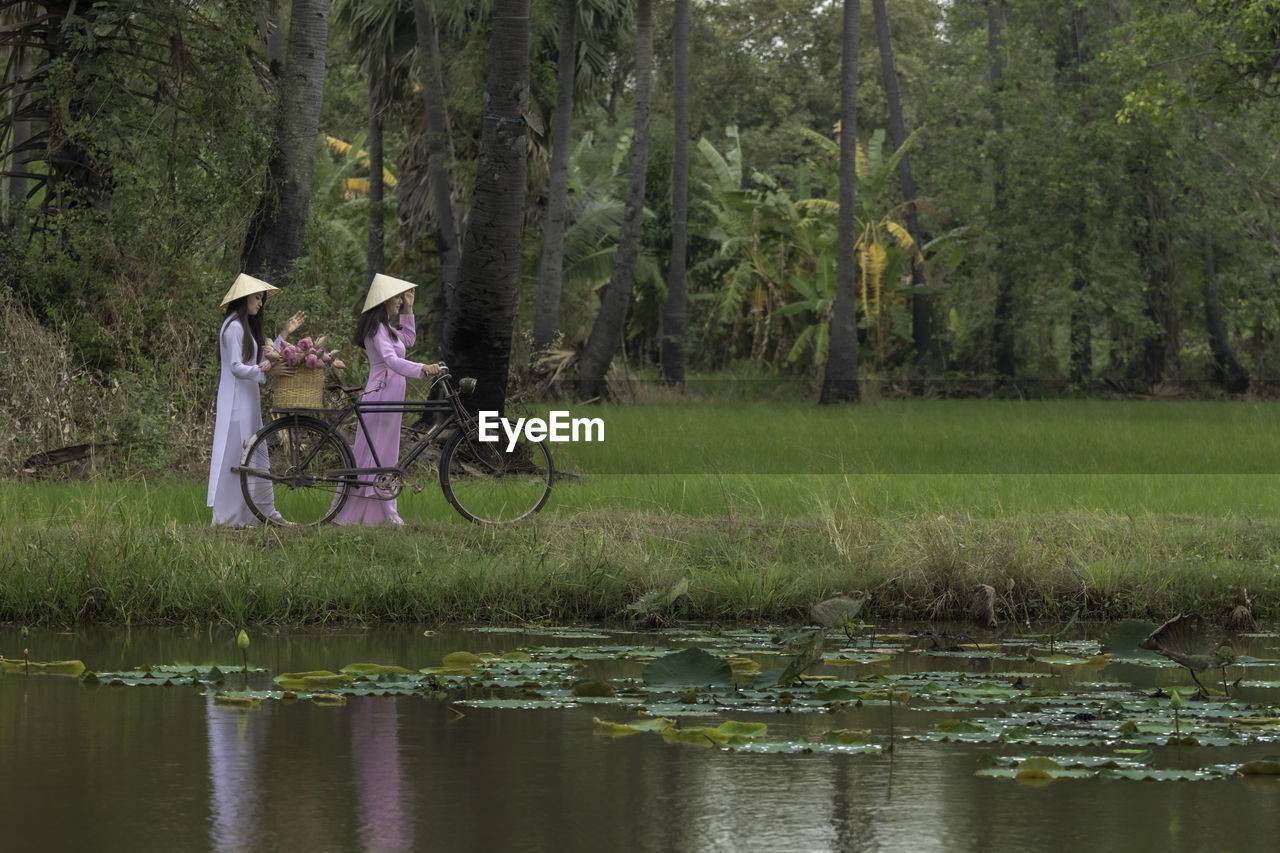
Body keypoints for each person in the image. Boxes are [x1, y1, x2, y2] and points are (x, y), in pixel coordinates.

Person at [333, 273, 444, 525]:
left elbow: (408, 339)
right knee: (372, 453)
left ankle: (382, 512)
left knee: (386, 452)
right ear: (383, 301)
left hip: (391, 393)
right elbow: (391, 361)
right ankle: (373, 512)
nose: (397, 302)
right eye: (395, 298)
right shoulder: (376, 330)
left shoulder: (387, 329)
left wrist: (409, 307)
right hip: (381, 393)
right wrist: (422, 368)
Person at [207, 273, 305, 526]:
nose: (260, 302)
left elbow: (263, 355)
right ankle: (231, 517)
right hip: (236, 404)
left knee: (255, 454)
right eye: (257, 297)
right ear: (244, 298)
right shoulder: (233, 327)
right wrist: (266, 370)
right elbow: (236, 367)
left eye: (262, 298)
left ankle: (264, 513)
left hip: (248, 402)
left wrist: (284, 333)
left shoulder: (244, 327)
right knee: (237, 458)